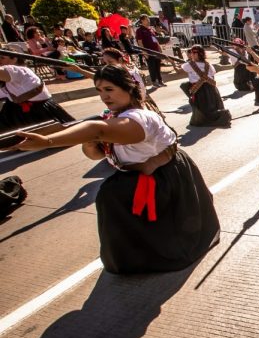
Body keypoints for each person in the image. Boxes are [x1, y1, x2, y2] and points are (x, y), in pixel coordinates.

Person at [7, 65, 221, 274]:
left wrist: (48, 141)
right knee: (115, 202)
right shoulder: (113, 116)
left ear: (128, 88)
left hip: (163, 177)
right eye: (99, 90)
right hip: (137, 175)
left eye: (109, 89)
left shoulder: (140, 117)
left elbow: (97, 130)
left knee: (164, 231)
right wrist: (89, 141)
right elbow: (96, 154)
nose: (104, 96)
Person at [0, 50, 75, 130]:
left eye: (2, 58)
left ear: (14, 58)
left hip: (37, 112)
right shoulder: (14, 74)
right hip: (19, 111)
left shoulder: (17, 70)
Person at [180, 45, 232, 128]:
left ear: (197, 54)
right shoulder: (208, 64)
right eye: (190, 53)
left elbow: (179, 71)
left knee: (202, 109)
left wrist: (173, 63)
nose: (190, 54)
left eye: (193, 53)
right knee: (213, 106)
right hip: (211, 88)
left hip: (199, 90)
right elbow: (213, 76)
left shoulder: (189, 65)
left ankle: (207, 119)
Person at [135, 14, 165, 87]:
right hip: (149, 52)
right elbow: (140, 42)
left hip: (156, 51)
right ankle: (154, 81)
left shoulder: (151, 29)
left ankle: (160, 80)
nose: (148, 21)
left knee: (158, 66)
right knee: (152, 67)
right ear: (142, 21)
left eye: (148, 19)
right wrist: (144, 52)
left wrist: (159, 48)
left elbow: (155, 40)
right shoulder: (139, 30)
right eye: (146, 19)